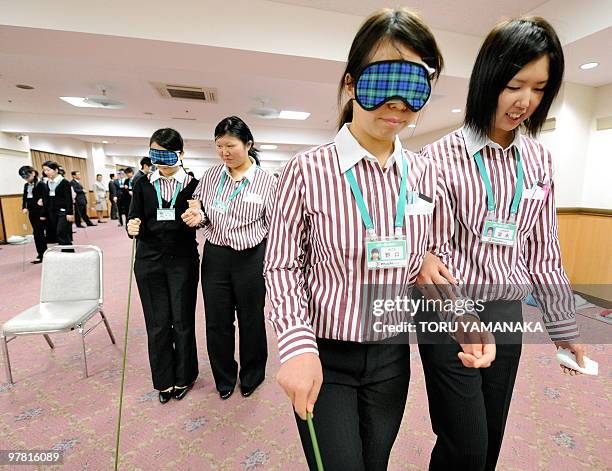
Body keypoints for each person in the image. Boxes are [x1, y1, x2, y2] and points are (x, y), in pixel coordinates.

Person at [261, 9, 493, 471]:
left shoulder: (426, 173)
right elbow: (281, 266)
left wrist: (462, 314)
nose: (398, 101)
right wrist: (296, 346)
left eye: (415, 86)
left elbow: (434, 259)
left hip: (390, 355)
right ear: (350, 83)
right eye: (384, 79)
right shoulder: (306, 171)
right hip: (325, 354)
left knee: (376, 461)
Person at [417, 17, 587, 471]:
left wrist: (564, 328)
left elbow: (543, 250)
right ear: (488, 79)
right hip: (450, 309)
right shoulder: (437, 158)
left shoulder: (538, 159)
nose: (525, 101)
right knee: (465, 442)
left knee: (489, 440)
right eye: (515, 85)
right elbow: (429, 256)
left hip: (506, 311)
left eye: (538, 88)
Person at [182, 116, 277, 400]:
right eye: (219, 146)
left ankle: (252, 375)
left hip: (251, 258)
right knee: (217, 321)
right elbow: (200, 208)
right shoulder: (211, 176)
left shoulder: (267, 182)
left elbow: (274, 227)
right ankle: (224, 377)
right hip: (216, 257)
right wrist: (197, 216)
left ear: (248, 144)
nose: (225, 152)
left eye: (231, 146)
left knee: (251, 320)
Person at [127, 128, 200, 404]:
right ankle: (164, 381)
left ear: (180, 154)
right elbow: (134, 217)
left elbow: (199, 217)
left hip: (182, 260)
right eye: (154, 154)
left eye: (165, 155)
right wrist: (131, 226)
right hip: (149, 260)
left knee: (182, 321)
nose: (159, 160)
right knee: (157, 323)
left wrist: (199, 217)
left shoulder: (193, 185)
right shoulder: (142, 184)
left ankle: (184, 376)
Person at [41, 161, 74, 246]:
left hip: (63, 211)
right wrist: (44, 212)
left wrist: (70, 213)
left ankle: (69, 253)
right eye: (44, 170)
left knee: (61, 232)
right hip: (52, 211)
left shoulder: (64, 182)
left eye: (48, 170)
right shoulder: (48, 182)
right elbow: (48, 198)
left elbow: (68, 199)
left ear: (56, 170)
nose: (46, 172)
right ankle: (64, 253)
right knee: (58, 234)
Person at [19, 166, 47, 263]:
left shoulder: (41, 184)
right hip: (32, 212)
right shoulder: (26, 185)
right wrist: (24, 207)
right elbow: (25, 198)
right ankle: (41, 254)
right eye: (23, 177)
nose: (26, 178)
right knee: (36, 233)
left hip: (41, 212)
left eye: (27, 176)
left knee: (39, 233)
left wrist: (43, 213)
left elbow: (45, 199)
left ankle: (43, 254)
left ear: (33, 173)